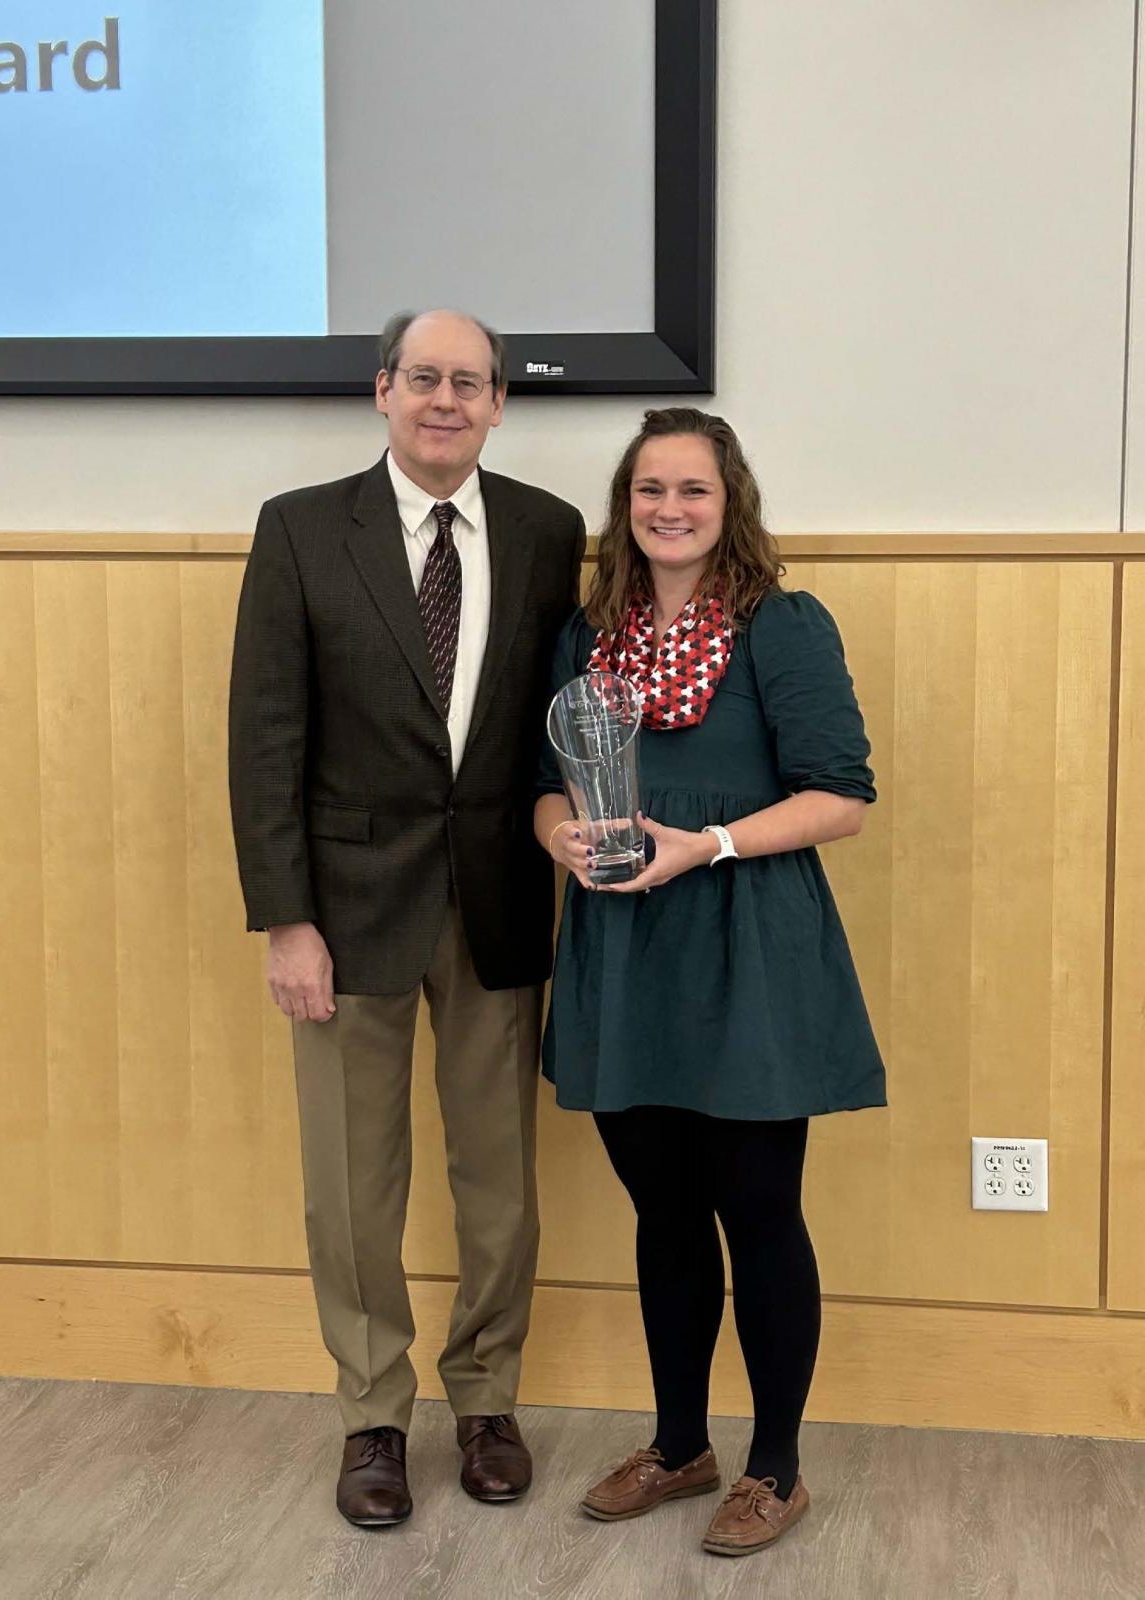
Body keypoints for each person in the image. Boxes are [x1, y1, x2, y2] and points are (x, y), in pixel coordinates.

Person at [229, 310, 586, 1529]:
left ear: (499, 405)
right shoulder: (298, 528)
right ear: (382, 391)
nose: (446, 399)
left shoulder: (547, 530)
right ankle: (372, 1415)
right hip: (345, 913)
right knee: (349, 1185)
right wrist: (286, 919)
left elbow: (559, 718)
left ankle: (487, 1397)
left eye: (469, 382)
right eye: (423, 377)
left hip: (496, 903)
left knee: (499, 1182)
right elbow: (265, 734)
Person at [534, 406, 885, 1559]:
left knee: (760, 1212)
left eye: (693, 490)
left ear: (730, 503)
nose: (669, 510)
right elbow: (545, 786)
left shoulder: (781, 624)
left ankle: (774, 1465)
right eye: (649, 492)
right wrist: (558, 840)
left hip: (747, 946)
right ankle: (680, 1445)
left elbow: (843, 794)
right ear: (623, 509)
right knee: (665, 1211)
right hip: (622, 952)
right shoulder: (591, 633)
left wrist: (710, 844)